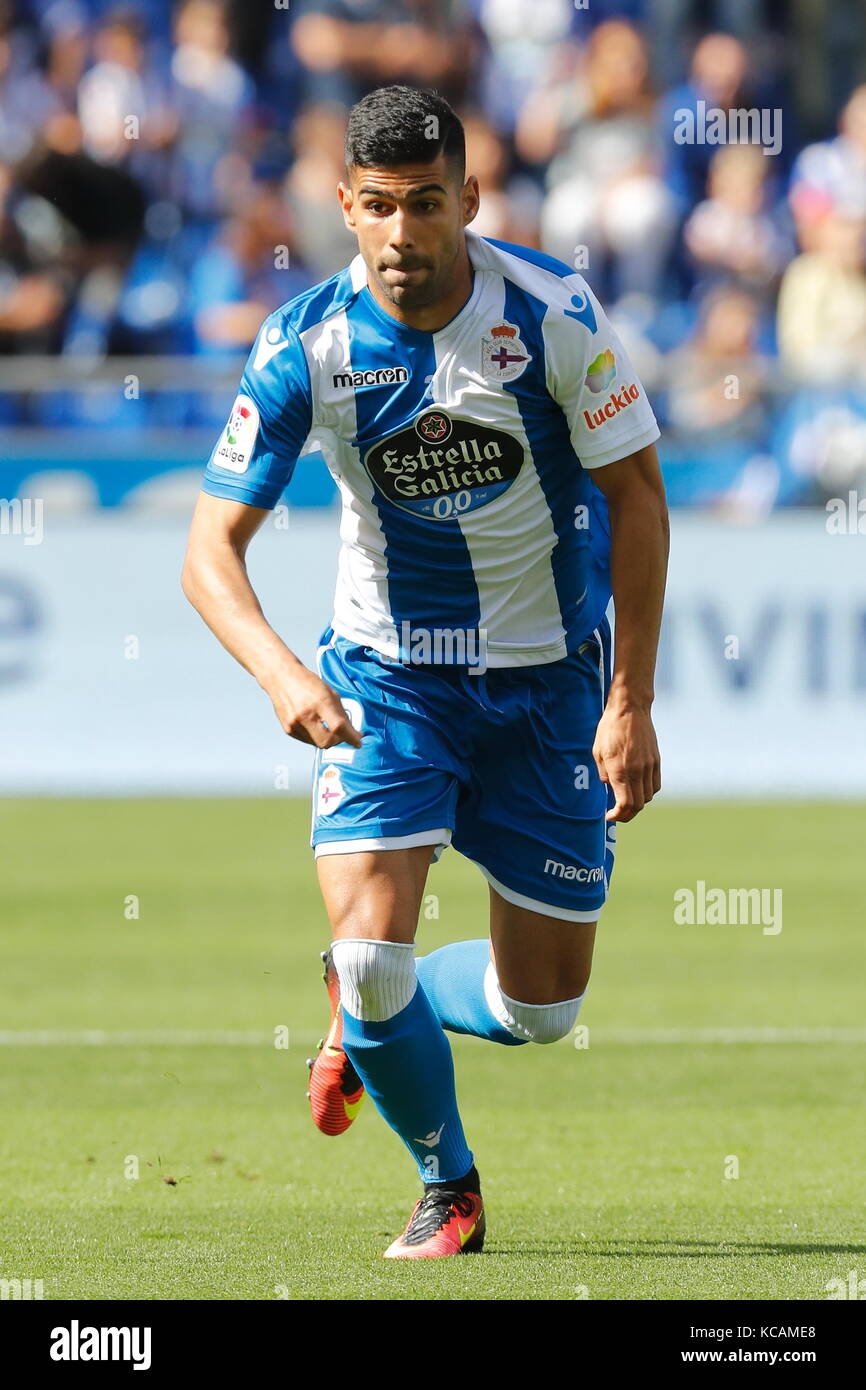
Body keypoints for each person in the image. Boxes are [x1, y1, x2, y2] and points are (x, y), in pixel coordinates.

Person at [182, 85, 668, 1259]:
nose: (406, 232)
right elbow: (208, 552)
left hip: (548, 680)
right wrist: (279, 676)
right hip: (388, 684)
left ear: (469, 199)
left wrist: (630, 701)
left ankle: (363, 1027)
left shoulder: (549, 315)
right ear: (344, 204)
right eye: (382, 206)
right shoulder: (307, 343)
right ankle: (447, 1182)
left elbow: (638, 497)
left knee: (539, 1011)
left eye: (429, 204)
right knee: (367, 951)